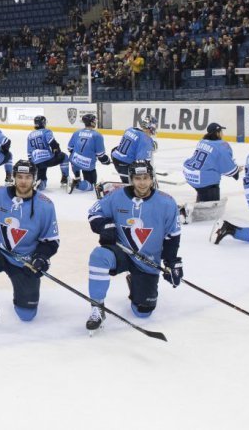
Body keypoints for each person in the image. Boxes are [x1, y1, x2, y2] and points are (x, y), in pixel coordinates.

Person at [84, 160, 182, 333]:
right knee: (99, 256)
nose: (142, 182)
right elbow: (94, 213)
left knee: (143, 312)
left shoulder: (167, 203)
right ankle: (97, 307)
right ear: (131, 179)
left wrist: (172, 262)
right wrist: (105, 226)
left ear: (152, 179)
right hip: (121, 252)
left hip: (147, 260)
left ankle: (135, 281)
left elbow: (172, 236)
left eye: (145, 178)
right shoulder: (116, 196)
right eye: (137, 178)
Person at [0, 159, 59, 331]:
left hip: (25, 261)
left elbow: (51, 241)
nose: (23, 181)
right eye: (19, 176)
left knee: (26, 315)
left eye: (28, 177)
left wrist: (41, 257)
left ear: (34, 178)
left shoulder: (45, 206)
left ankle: (24, 296)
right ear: (13, 177)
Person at [180, 123, 240, 223]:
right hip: (203, 179)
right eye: (221, 131)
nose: (222, 133)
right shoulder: (221, 145)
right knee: (211, 210)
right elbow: (229, 169)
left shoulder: (202, 141)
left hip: (190, 173)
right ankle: (185, 210)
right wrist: (236, 171)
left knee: (204, 186)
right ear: (217, 133)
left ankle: (200, 200)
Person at [66, 113, 110, 194]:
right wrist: (107, 161)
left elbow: (70, 148)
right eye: (94, 120)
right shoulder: (97, 135)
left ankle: (77, 177)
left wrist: (80, 155)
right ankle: (76, 184)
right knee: (92, 185)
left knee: (74, 158)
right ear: (92, 122)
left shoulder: (77, 132)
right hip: (87, 165)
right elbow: (100, 155)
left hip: (74, 162)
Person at [26, 115, 70, 191]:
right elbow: (51, 141)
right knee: (64, 157)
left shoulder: (30, 135)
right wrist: (56, 149)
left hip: (37, 162)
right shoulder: (46, 131)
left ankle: (40, 183)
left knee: (42, 179)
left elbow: (29, 152)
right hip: (48, 159)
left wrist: (32, 164)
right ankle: (65, 178)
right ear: (43, 123)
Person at [109, 115, 156, 185]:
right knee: (138, 186)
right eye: (155, 126)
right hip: (125, 164)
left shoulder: (131, 129)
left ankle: (126, 181)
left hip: (115, 158)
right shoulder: (146, 139)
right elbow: (142, 161)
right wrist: (149, 173)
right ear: (150, 127)